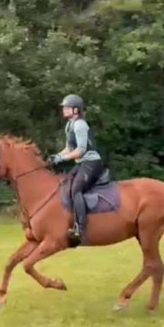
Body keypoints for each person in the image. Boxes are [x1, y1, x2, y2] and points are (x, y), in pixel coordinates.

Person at [50, 94, 106, 246]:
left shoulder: (80, 124)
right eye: (64, 107)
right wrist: (56, 156)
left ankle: (81, 229)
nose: (64, 110)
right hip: (82, 163)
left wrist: (62, 159)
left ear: (75, 110)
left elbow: (80, 150)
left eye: (67, 107)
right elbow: (69, 148)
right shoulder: (70, 125)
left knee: (76, 190)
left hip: (91, 162)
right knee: (66, 186)